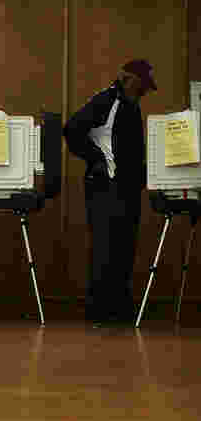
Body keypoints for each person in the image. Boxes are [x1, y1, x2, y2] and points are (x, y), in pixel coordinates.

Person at [64, 59, 156, 325]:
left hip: (126, 189)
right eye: (142, 86)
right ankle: (100, 312)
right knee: (106, 249)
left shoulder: (130, 105)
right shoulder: (107, 101)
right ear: (129, 79)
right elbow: (72, 129)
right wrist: (97, 160)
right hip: (106, 188)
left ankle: (119, 309)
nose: (145, 92)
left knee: (124, 249)